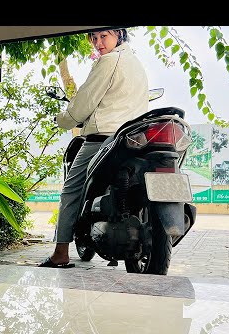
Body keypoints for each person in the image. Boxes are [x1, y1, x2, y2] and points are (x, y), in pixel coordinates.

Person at [39, 28, 149, 268]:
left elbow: (83, 104)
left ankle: (60, 253)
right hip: (134, 139)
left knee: (71, 191)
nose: (98, 43)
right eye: (94, 37)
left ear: (118, 34)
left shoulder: (108, 61)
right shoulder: (136, 64)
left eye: (104, 36)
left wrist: (63, 120)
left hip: (102, 139)